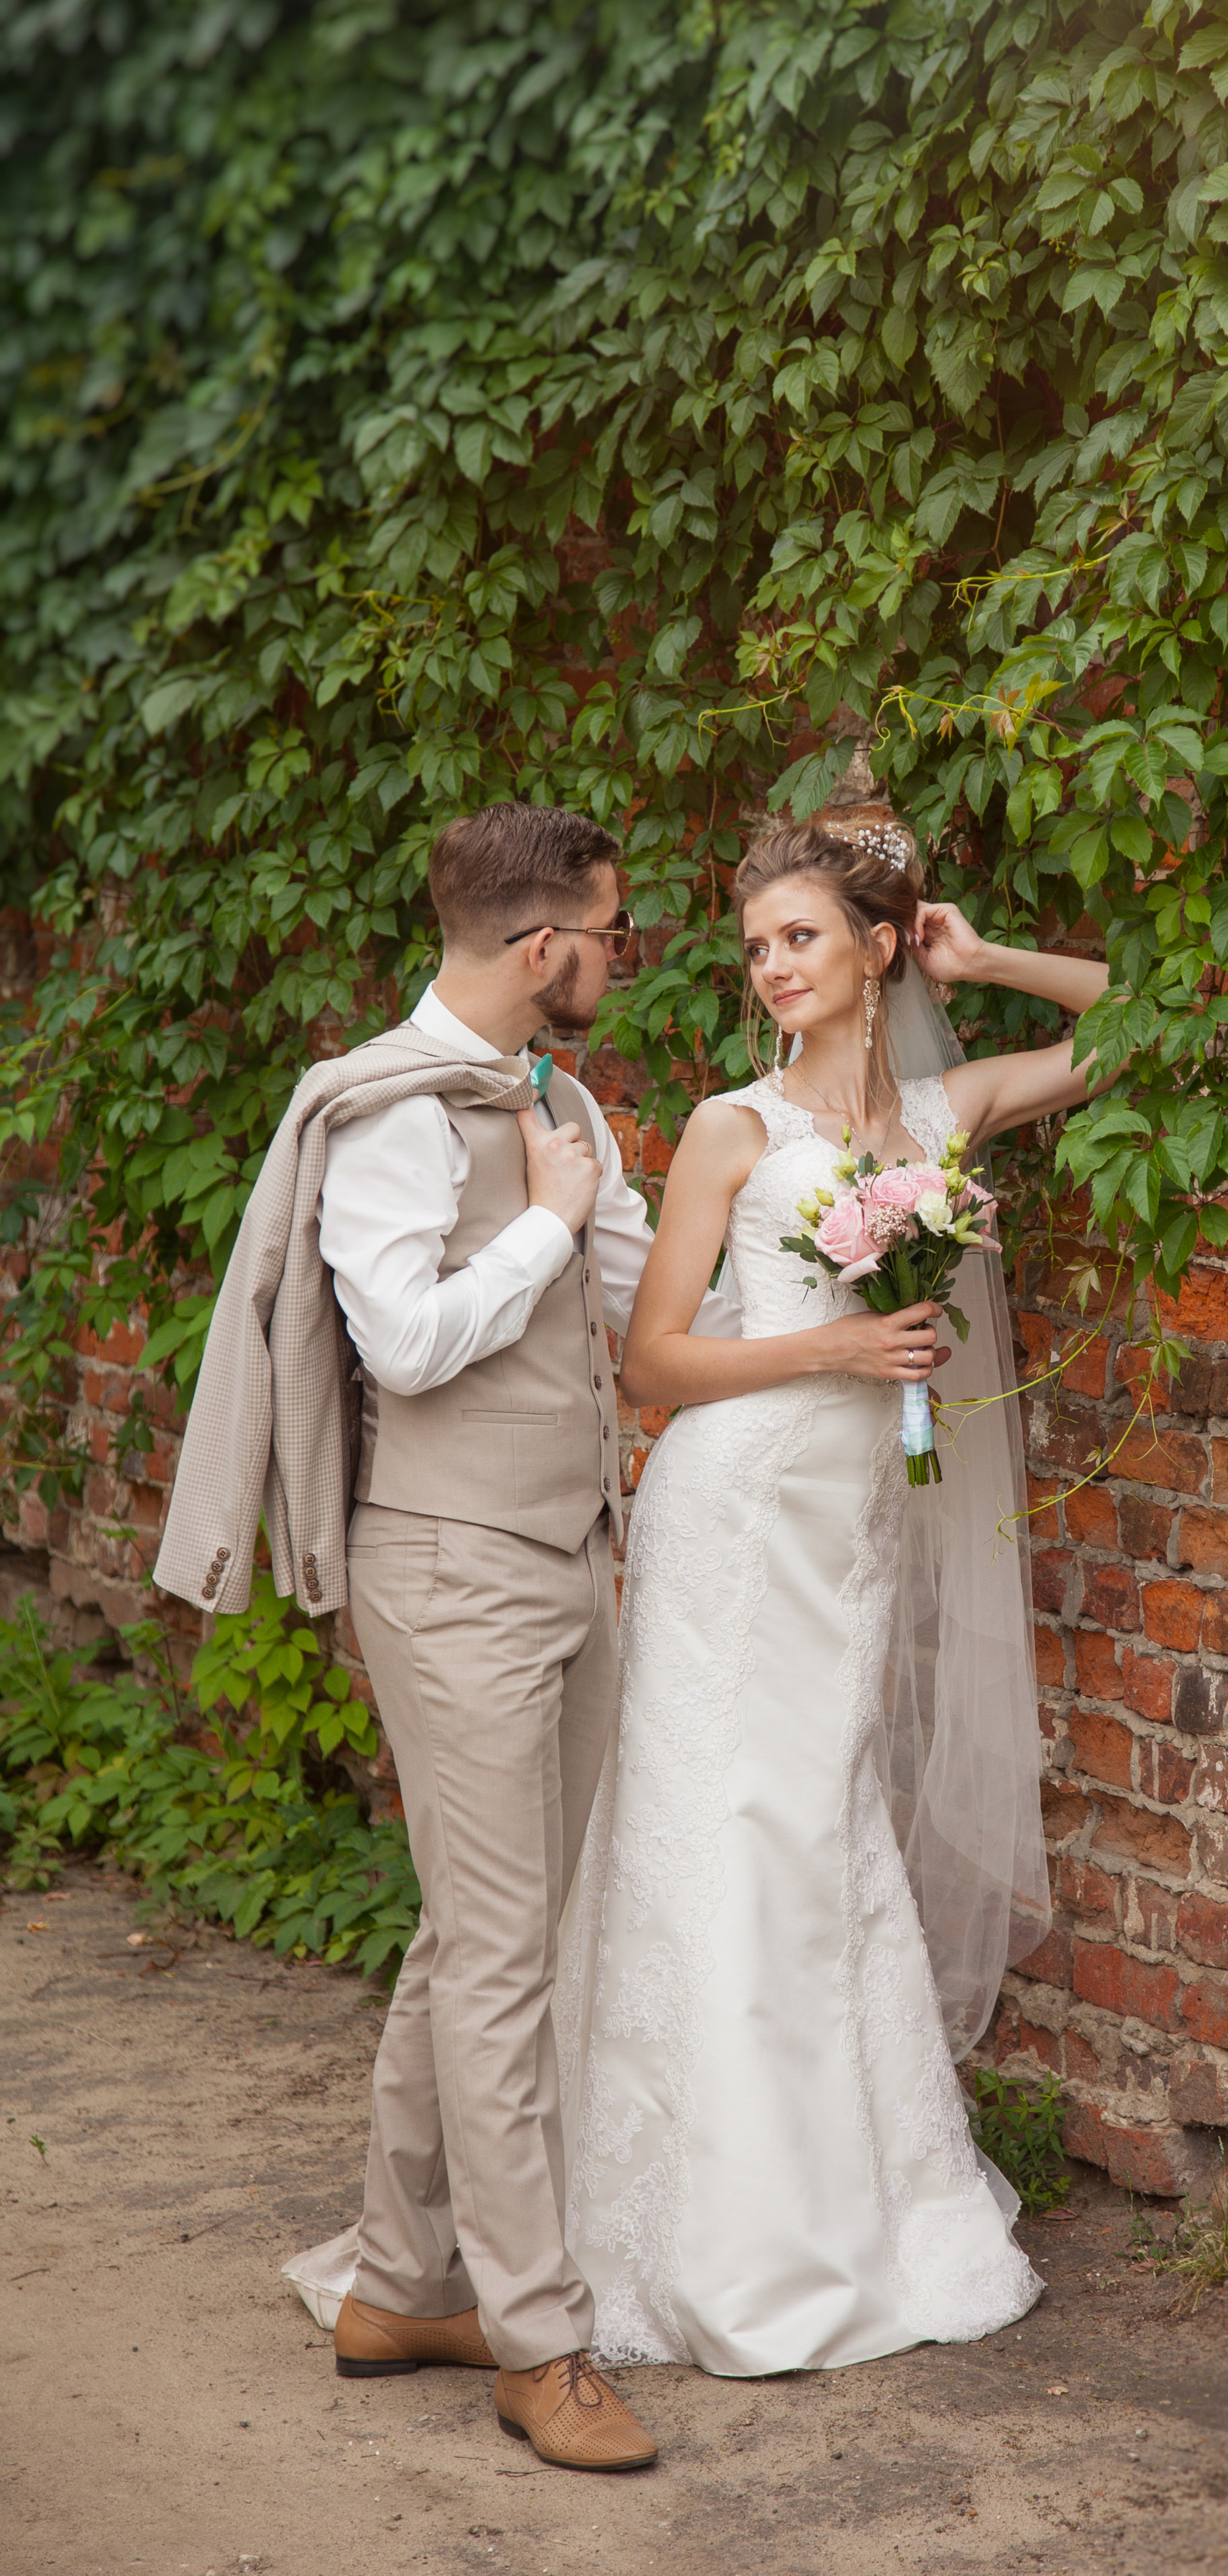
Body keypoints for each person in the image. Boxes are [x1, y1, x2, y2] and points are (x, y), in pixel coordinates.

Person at [168, 801, 737, 2473]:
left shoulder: (558, 1105)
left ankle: (403, 2284)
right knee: (500, 1965)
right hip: (449, 1574)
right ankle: (539, 2347)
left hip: (571, 1558)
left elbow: (651, 1311)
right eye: (612, 938)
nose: (620, 963)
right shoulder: (391, 1114)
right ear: (543, 945)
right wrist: (549, 1221)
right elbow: (405, 1346)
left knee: (481, 1940)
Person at [550, 805, 1110, 2375]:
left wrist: (984, 955)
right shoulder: (736, 1128)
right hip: (731, 1526)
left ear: (874, 950)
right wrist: (836, 1346)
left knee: (820, 1829)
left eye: (799, 938)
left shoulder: (944, 1114)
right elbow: (652, 1360)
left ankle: (856, 2206)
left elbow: (1147, 1028)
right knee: (727, 1838)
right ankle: (711, 2234)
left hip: (849, 1538)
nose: (770, 970)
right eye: (754, 950)